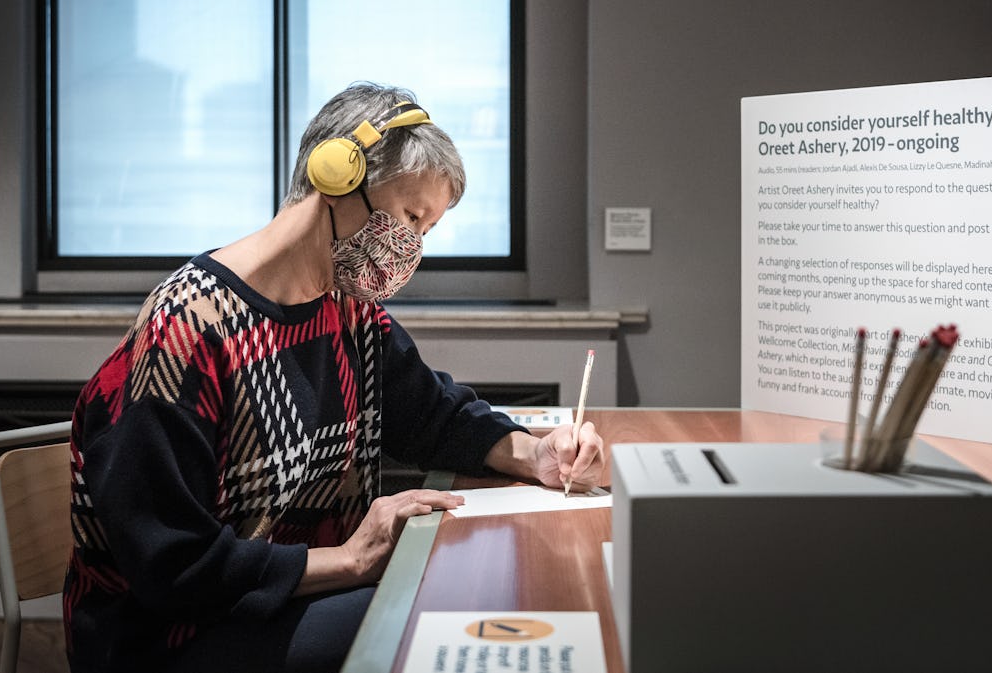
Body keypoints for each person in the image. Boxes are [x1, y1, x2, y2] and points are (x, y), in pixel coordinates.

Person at [64, 82, 606, 673]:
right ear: (337, 175)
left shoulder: (346, 309)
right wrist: (349, 559)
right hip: (176, 638)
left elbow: (433, 417)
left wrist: (535, 455)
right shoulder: (187, 328)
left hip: (290, 599)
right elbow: (175, 567)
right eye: (410, 216)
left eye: (426, 234)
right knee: (442, 619)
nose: (412, 249)